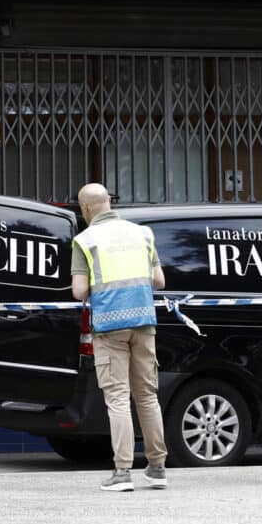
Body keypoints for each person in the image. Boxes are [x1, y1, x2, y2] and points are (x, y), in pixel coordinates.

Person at [70, 183, 168, 492]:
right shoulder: (143, 234)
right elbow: (159, 281)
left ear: (85, 209)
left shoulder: (85, 240)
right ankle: (157, 468)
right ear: (109, 202)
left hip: (110, 328)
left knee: (117, 400)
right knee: (147, 396)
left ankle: (123, 472)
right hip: (144, 323)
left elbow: (79, 291)